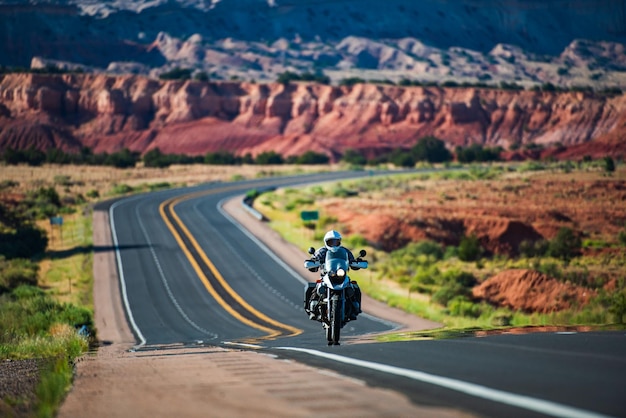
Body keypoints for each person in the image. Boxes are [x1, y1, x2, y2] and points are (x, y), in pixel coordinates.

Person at [307, 230, 362, 321]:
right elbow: (313, 260)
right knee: (315, 288)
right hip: (326, 276)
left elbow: (352, 261)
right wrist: (312, 263)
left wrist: (356, 263)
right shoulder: (321, 251)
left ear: (339, 241)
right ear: (326, 242)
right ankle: (312, 309)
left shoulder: (344, 251)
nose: (333, 244)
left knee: (354, 287)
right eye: (331, 242)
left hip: (342, 275)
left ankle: (355, 309)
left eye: (336, 241)